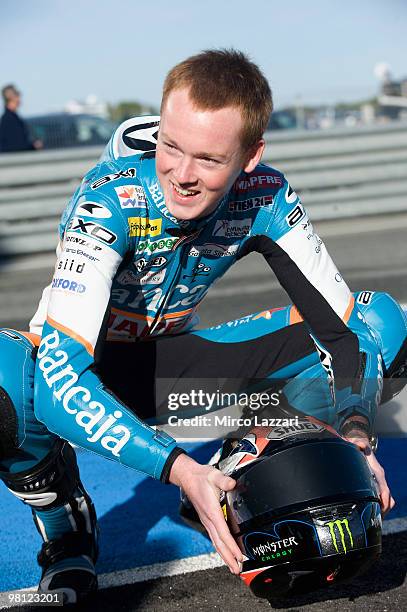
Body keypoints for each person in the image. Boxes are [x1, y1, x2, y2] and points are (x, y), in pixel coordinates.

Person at [0, 50, 401, 601]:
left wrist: (358, 436)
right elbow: (59, 381)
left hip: (172, 373)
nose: (182, 177)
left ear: (250, 156)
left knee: (383, 323)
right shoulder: (109, 196)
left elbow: (343, 333)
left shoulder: (266, 194)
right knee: (4, 376)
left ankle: (249, 460)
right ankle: (67, 530)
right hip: (71, 376)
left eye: (209, 160)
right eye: (170, 146)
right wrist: (179, 467)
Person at [0, 84, 41, 153]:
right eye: (17, 95)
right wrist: (33, 146)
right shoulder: (9, 120)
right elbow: (17, 146)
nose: (19, 98)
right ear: (11, 97)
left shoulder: (12, 118)